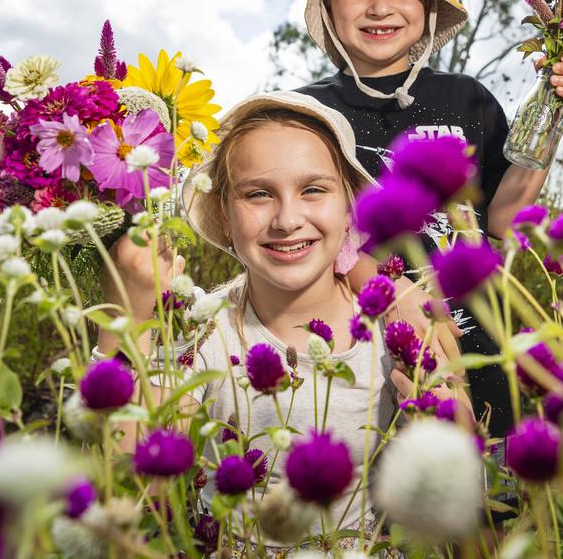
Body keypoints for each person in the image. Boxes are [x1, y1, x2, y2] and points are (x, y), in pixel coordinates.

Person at [97, 91, 466, 551]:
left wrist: (450, 430)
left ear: (350, 210)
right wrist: (127, 315)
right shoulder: (205, 331)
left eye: (313, 189)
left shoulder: (392, 333)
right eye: (258, 194)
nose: (288, 219)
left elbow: (453, 480)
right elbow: (132, 485)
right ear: (224, 217)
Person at [294, 0, 563, 438]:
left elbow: (502, 219)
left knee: (488, 495)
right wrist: (397, 302)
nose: (381, 7)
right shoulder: (305, 114)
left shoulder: (466, 100)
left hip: (478, 337)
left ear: (428, 4)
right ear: (328, 6)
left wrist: (555, 116)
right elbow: (311, 241)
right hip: (361, 348)